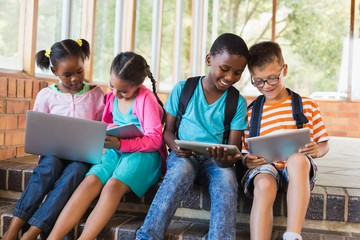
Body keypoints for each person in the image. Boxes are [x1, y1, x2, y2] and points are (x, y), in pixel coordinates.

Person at [135, 33, 249, 240]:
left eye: (238, 73)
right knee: (180, 171)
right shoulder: (183, 89)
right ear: (209, 60)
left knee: (226, 179)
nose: (230, 77)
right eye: (224, 69)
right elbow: (167, 132)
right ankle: (148, 236)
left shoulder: (237, 102)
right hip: (183, 156)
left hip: (216, 163)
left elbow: (234, 150)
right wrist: (175, 147)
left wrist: (227, 160)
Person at [47, 51, 166, 240]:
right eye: (112, 86)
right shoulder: (112, 97)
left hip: (144, 153)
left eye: (123, 91)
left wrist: (121, 143)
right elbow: (106, 123)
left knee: (112, 186)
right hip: (116, 149)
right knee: (91, 180)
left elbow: (155, 140)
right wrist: (108, 134)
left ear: (138, 85)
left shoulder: (146, 99)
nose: (116, 94)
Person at [2, 39, 105, 240]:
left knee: (74, 173)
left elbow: (103, 125)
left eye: (79, 71)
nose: (75, 78)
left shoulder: (96, 93)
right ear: (54, 71)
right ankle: (13, 229)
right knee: (47, 168)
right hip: (53, 154)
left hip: (82, 157)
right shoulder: (46, 95)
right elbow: (38, 130)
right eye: (67, 74)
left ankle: (33, 232)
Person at [241, 41, 330, 240]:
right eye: (259, 81)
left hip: (296, 171)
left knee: (297, 160)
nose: (266, 86)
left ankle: (292, 235)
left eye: (273, 78)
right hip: (266, 169)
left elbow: (324, 143)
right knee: (263, 184)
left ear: (285, 70)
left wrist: (317, 150)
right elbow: (246, 153)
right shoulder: (251, 112)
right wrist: (247, 161)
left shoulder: (306, 105)